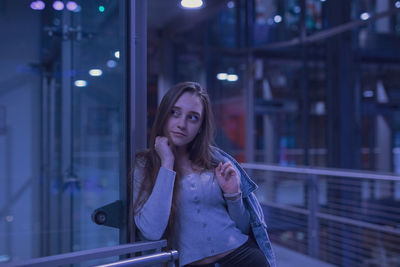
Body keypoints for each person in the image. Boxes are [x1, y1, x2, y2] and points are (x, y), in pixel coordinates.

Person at [132, 82, 276, 267]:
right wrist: (166, 164)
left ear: (200, 126)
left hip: (244, 257)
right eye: (175, 113)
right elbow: (151, 231)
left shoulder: (216, 160)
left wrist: (233, 195)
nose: (182, 124)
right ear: (164, 115)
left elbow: (243, 227)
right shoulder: (144, 166)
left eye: (192, 118)